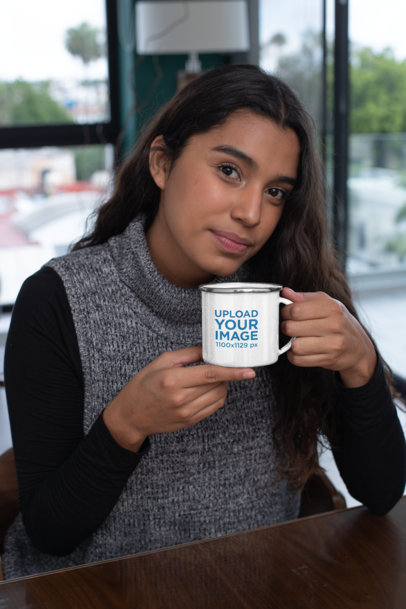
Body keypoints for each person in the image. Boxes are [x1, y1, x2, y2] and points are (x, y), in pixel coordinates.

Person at [3, 64, 405, 580]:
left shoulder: (288, 291)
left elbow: (381, 492)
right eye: (230, 171)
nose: (252, 213)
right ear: (163, 163)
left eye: (276, 191)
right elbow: (50, 535)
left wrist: (361, 363)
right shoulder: (57, 301)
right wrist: (126, 425)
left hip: (255, 587)